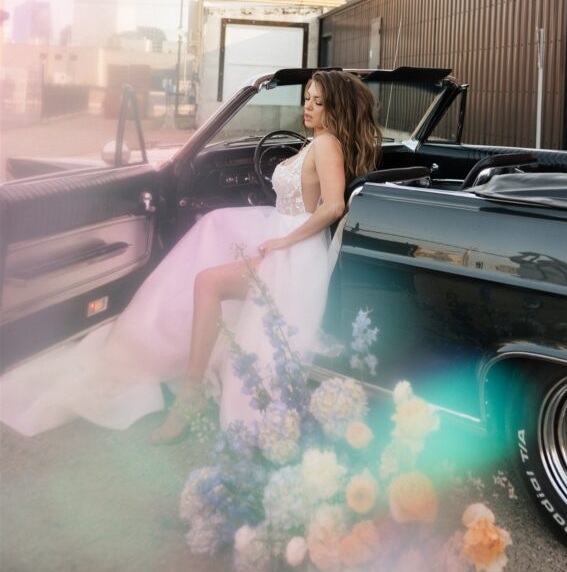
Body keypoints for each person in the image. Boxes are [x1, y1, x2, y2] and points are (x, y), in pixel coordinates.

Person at [0, 71, 381, 440]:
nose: (308, 107)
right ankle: (189, 383)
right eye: (306, 99)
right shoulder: (314, 143)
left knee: (208, 281)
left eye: (318, 101)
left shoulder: (327, 145)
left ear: (337, 109)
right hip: (280, 236)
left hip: (295, 252)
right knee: (212, 237)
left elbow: (332, 207)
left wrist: (284, 242)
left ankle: (190, 395)